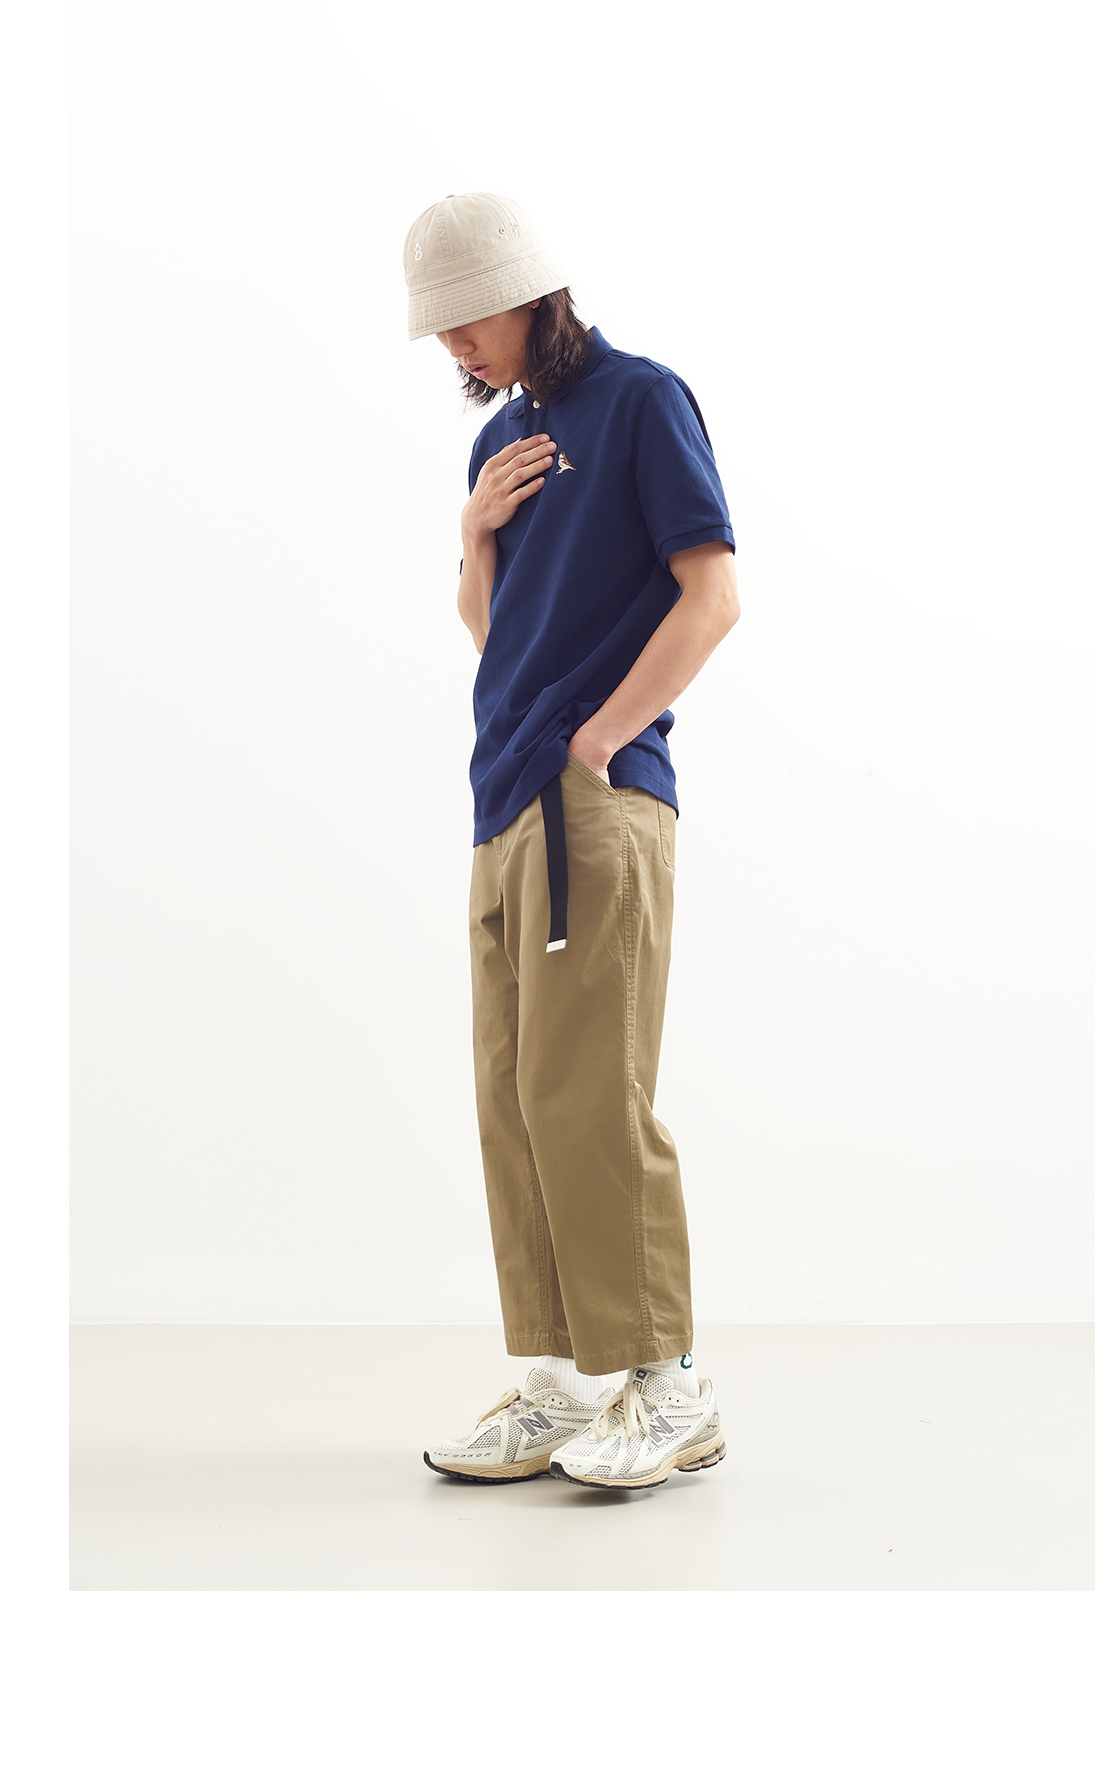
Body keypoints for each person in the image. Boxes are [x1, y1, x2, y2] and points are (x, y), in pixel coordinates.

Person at [404, 192, 739, 1491]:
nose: (452, 346)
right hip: (500, 802)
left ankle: (670, 1384)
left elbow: (713, 595)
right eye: (437, 329)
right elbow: (497, 637)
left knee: (591, 1091)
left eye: (464, 318)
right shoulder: (501, 443)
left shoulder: (642, 401)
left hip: (593, 800)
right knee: (514, 1100)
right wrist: (474, 534)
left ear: (527, 291)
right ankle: (561, 1382)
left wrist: (601, 739)